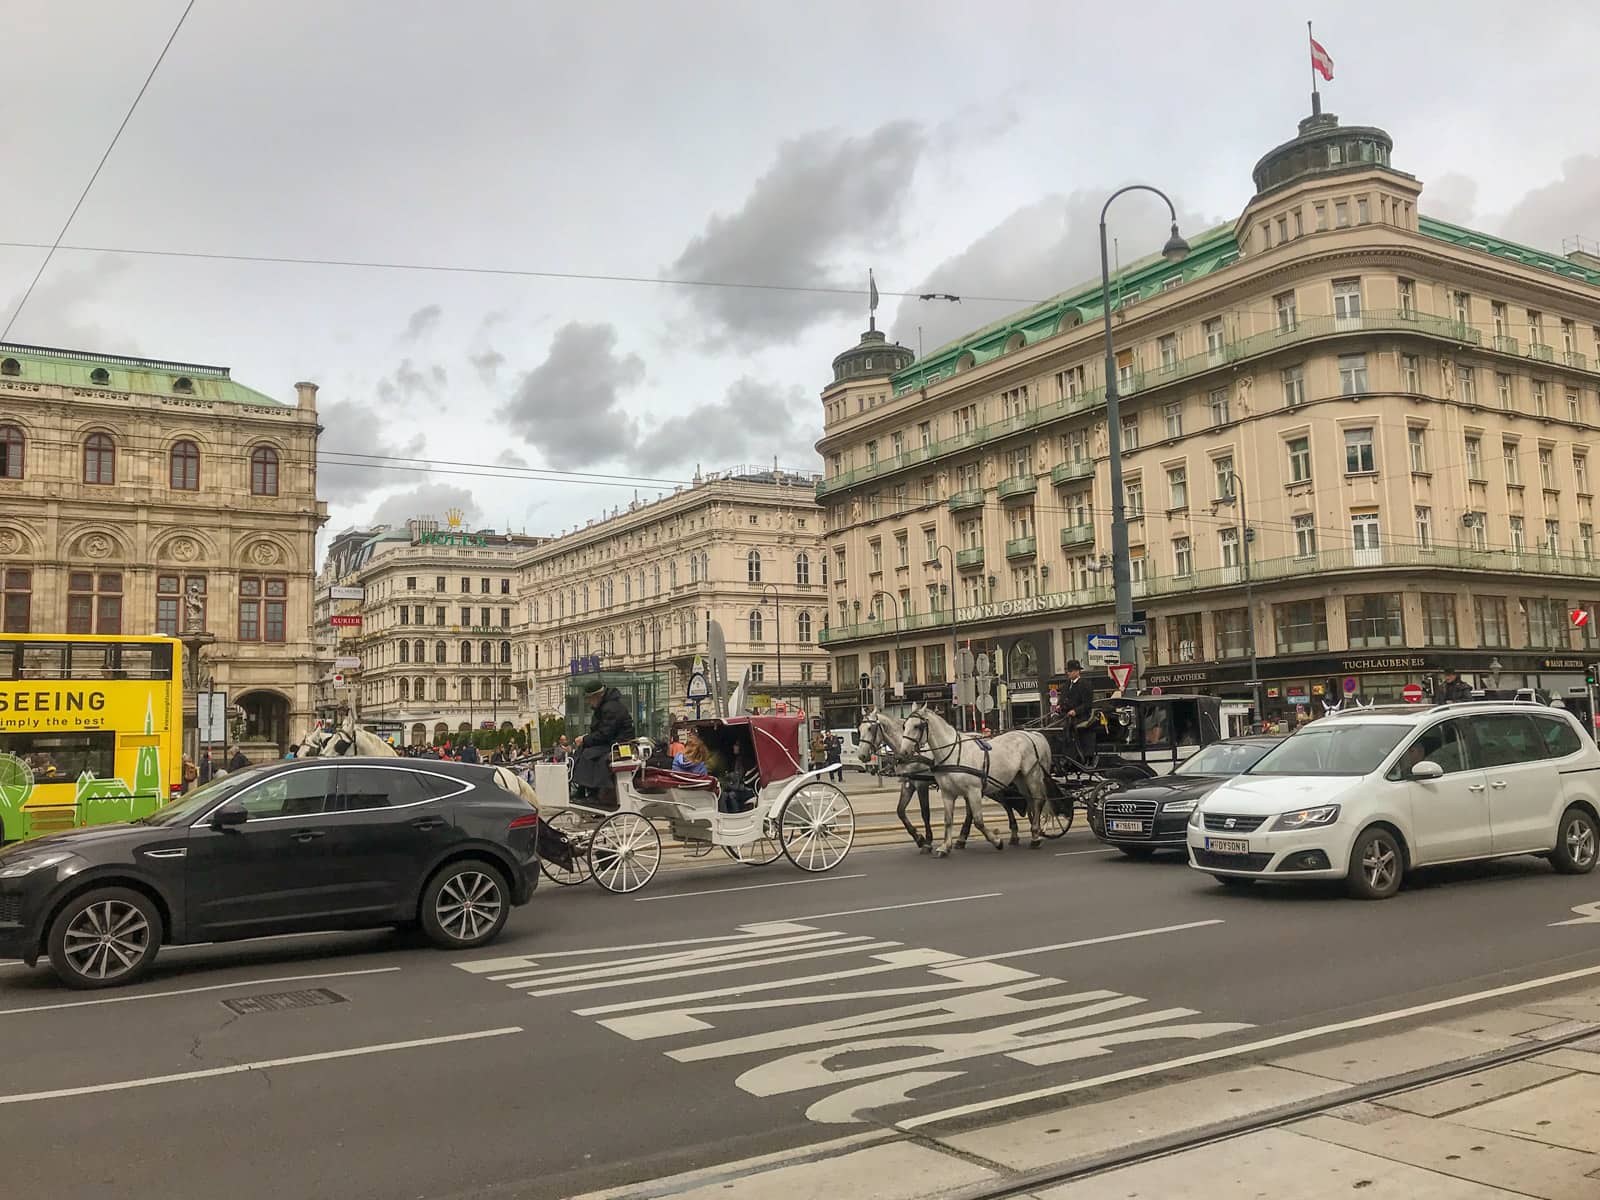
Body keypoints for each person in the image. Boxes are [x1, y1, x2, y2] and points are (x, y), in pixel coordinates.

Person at [571, 683, 635, 808]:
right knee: (583, 751)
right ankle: (582, 790)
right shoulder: (607, 706)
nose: (589, 702)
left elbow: (605, 734)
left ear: (597, 696)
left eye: (590, 699)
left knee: (589, 755)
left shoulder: (610, 708)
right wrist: (586, 740)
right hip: (613, 742)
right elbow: (603, 732)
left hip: (620, 745)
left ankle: (595, 794)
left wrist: (585, 739)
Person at [1061, 660, 1096, 767]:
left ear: (1077, 672)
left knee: (1074, 729)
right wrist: (1059, 705)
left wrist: (1075, 711)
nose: (1069, 673)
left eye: (1071, 671)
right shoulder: (1066, 685)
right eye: (1068, 671)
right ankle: (1064, 756)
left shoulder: (1085, 685)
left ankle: (1082, 756)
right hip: (1067, 714)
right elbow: (1062, 698)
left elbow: (1087, 704)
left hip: (1082, 715)